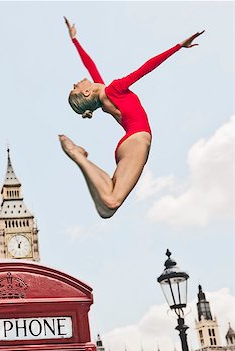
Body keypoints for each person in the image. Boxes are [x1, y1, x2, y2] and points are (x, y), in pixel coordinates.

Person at [60, 17, 204, 218]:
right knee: (111, 200)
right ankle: (77, 155)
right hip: (137, 140)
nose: (75, 83)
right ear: (86, 93)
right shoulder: (114, 89)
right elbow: (146, 68)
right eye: (75, 87)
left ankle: (81, 157)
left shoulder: (104, 97)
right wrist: (179, 46)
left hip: (129, 144)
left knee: (105, 210)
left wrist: (75, 40)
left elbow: (89, 65)